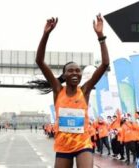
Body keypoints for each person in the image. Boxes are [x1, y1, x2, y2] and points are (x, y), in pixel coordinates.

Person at [30, 14, 109, 168]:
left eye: (78, 71)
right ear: (64, 75)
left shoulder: (84, 90)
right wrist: (46, 34)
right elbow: (39, 61)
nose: (75, 73)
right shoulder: (58, 90)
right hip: (63, 145)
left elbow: (105, 63)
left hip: (82, 144)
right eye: (71, 71)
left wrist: (101, 36)